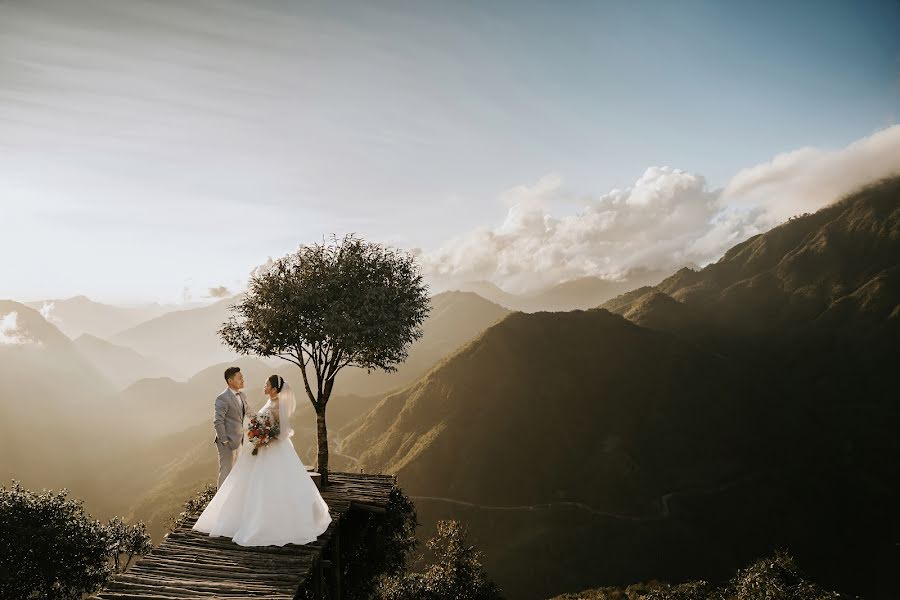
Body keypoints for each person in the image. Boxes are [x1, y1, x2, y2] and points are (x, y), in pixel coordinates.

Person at [193, 374, 332, 546]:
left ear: (274, 389)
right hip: (261, 446)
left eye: (266, 384)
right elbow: (261, 421)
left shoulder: (279, 404)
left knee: (270, 483)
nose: (263, 386)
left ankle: (270, 522)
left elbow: (280, 431)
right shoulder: (271, 402)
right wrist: (257, 435)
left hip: (272, 447)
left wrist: (264, 438)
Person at [213, 367, 248, 488]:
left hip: (240, 441)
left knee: (238, 473)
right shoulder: (222, 398)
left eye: (242, 377)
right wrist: (225, 442)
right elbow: (218, 422)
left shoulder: (242, 395)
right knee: (226, 473)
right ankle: (220, 506)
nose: (243, 380)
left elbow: (248, 414)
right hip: (227, 442)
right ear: (230, 381)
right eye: (239, 378)